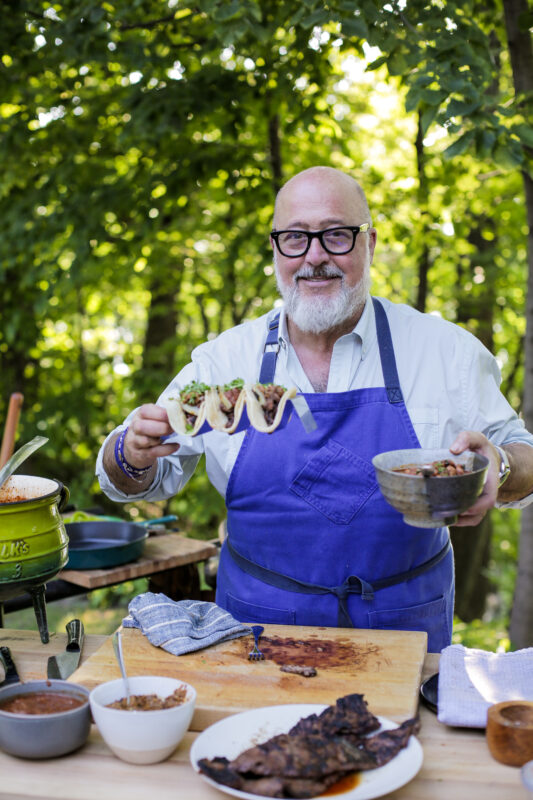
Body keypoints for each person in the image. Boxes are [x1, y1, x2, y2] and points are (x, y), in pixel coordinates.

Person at [97, 166, 533, 652]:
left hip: (406, 631)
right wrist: (131, 452)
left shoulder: (444, 350)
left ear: (369, 244)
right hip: (257, 632)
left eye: (337, 235)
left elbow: (524, 458)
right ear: (276, 249)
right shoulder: (224, 362)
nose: (315, 257)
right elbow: (130, 478)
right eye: (296, 238)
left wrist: (503, 463)